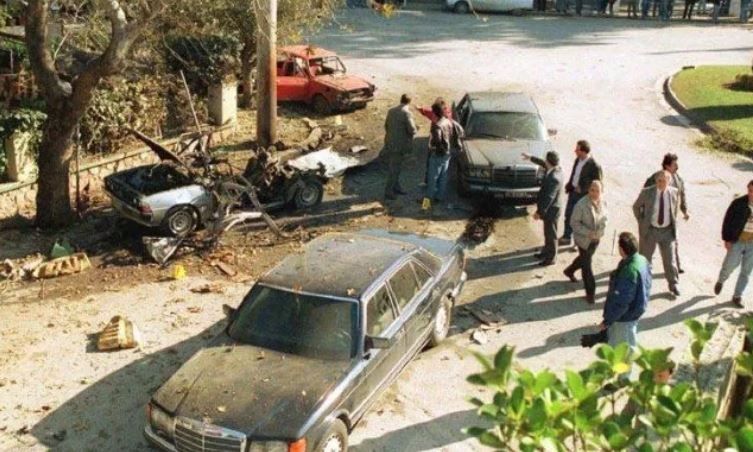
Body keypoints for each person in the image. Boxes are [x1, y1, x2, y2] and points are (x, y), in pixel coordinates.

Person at [600, 232, 652, 354]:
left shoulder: (629, 271)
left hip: (625, 317)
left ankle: (625, 367)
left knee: (623, 349)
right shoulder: (642, 259)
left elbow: (622, 302)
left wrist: (607, 321)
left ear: (622, 249)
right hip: (636, 309)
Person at [633, 170, 681, 296]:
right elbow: (636, 207)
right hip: (650, 230)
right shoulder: (647, 192)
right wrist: (642, 222)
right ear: (655, 181)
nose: (661, 183)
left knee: (670, 260)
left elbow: (674, 211)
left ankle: (673, 283)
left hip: (667, 232)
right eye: (659, 181)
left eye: (664, 181)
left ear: (669, 181)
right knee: (645, 260)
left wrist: (672, 226)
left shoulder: (674, 193)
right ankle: (642, 284)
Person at [644, 153, 689, 274]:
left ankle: (676, 267)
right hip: (655, 219)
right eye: (674, 164)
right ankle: (645, 268)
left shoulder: (677, 179)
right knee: (649, 246)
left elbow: (682, 194)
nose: (677, 167)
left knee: (674, 242)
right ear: (667, 166)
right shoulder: (655, 178)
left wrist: (685, 210)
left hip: (670, 219)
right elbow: (645, 193)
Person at [564, 181, 608, 304]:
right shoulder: (581, 205)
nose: (594, 193)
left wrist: (600, 231)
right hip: (583, 240)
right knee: (587, 266)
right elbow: (574, 223)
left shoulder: (603, 202)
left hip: (596, 240)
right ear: (588, 190)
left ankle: (569, 271)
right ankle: (590, 293)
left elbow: (605, 218)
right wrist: (588, 233)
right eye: (592, 190)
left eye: (597, 191)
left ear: (601, 192)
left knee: (584, 259)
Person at [714, 181, 753, 308]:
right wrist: (727, 239)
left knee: (746, 271)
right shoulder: (738, 203)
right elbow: (727, 221)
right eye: (750, 190)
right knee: (729, 265)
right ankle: (721, 280)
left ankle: (737, 296)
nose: (751, 194)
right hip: (738, 240)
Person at [523, 151, 563, 266]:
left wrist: (539, 212)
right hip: (552, 209)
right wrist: (530, 157)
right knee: (548, 233)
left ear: (548, 161)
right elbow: (542, 163)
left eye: (546, 160)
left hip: (552, 210)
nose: (544, 161)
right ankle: (546, 252)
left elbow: (549, 198)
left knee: (551, 235)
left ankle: (551, 258)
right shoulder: (556, 169)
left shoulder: (554, 178)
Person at [560, 140, 603, 248]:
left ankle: (578, 243)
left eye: (577, 149)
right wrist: (570, 184)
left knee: (580, 220)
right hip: (573, 192)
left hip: (583, 196)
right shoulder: (577, 160)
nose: (575, 151)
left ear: (584, 151)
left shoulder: (594, 165)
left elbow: (598, 183)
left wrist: (584, 189)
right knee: (569, 215)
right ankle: (567, 237)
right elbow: (574, 174)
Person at [422, 103, 459, 210]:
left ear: (435, 112)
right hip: (447, 153)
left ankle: (426, 204)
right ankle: (439, 198)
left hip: (438, 154)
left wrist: (434, 148)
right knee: (443, 176)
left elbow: (437, 140)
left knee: (432, 179)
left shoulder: (437, 125)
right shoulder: (448, 121)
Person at [383, 94, 418, 201]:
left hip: (390, 143)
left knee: (395, 167)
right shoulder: (407, 113)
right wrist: (416, 128)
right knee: (395, 169)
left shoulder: (391, 111)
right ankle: (389, 191)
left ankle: (396, 187)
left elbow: (386, 125)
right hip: (399, 145)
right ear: (409, 102)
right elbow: (412, 130)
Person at [417, 98, 453, 187]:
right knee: (443, 169)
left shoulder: (436, 118)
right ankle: (439, 187)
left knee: (431, 166)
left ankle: (430, 185)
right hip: (447, 147)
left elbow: (427, 112)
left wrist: (419, 108)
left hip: (436, 147)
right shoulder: (449, 114)